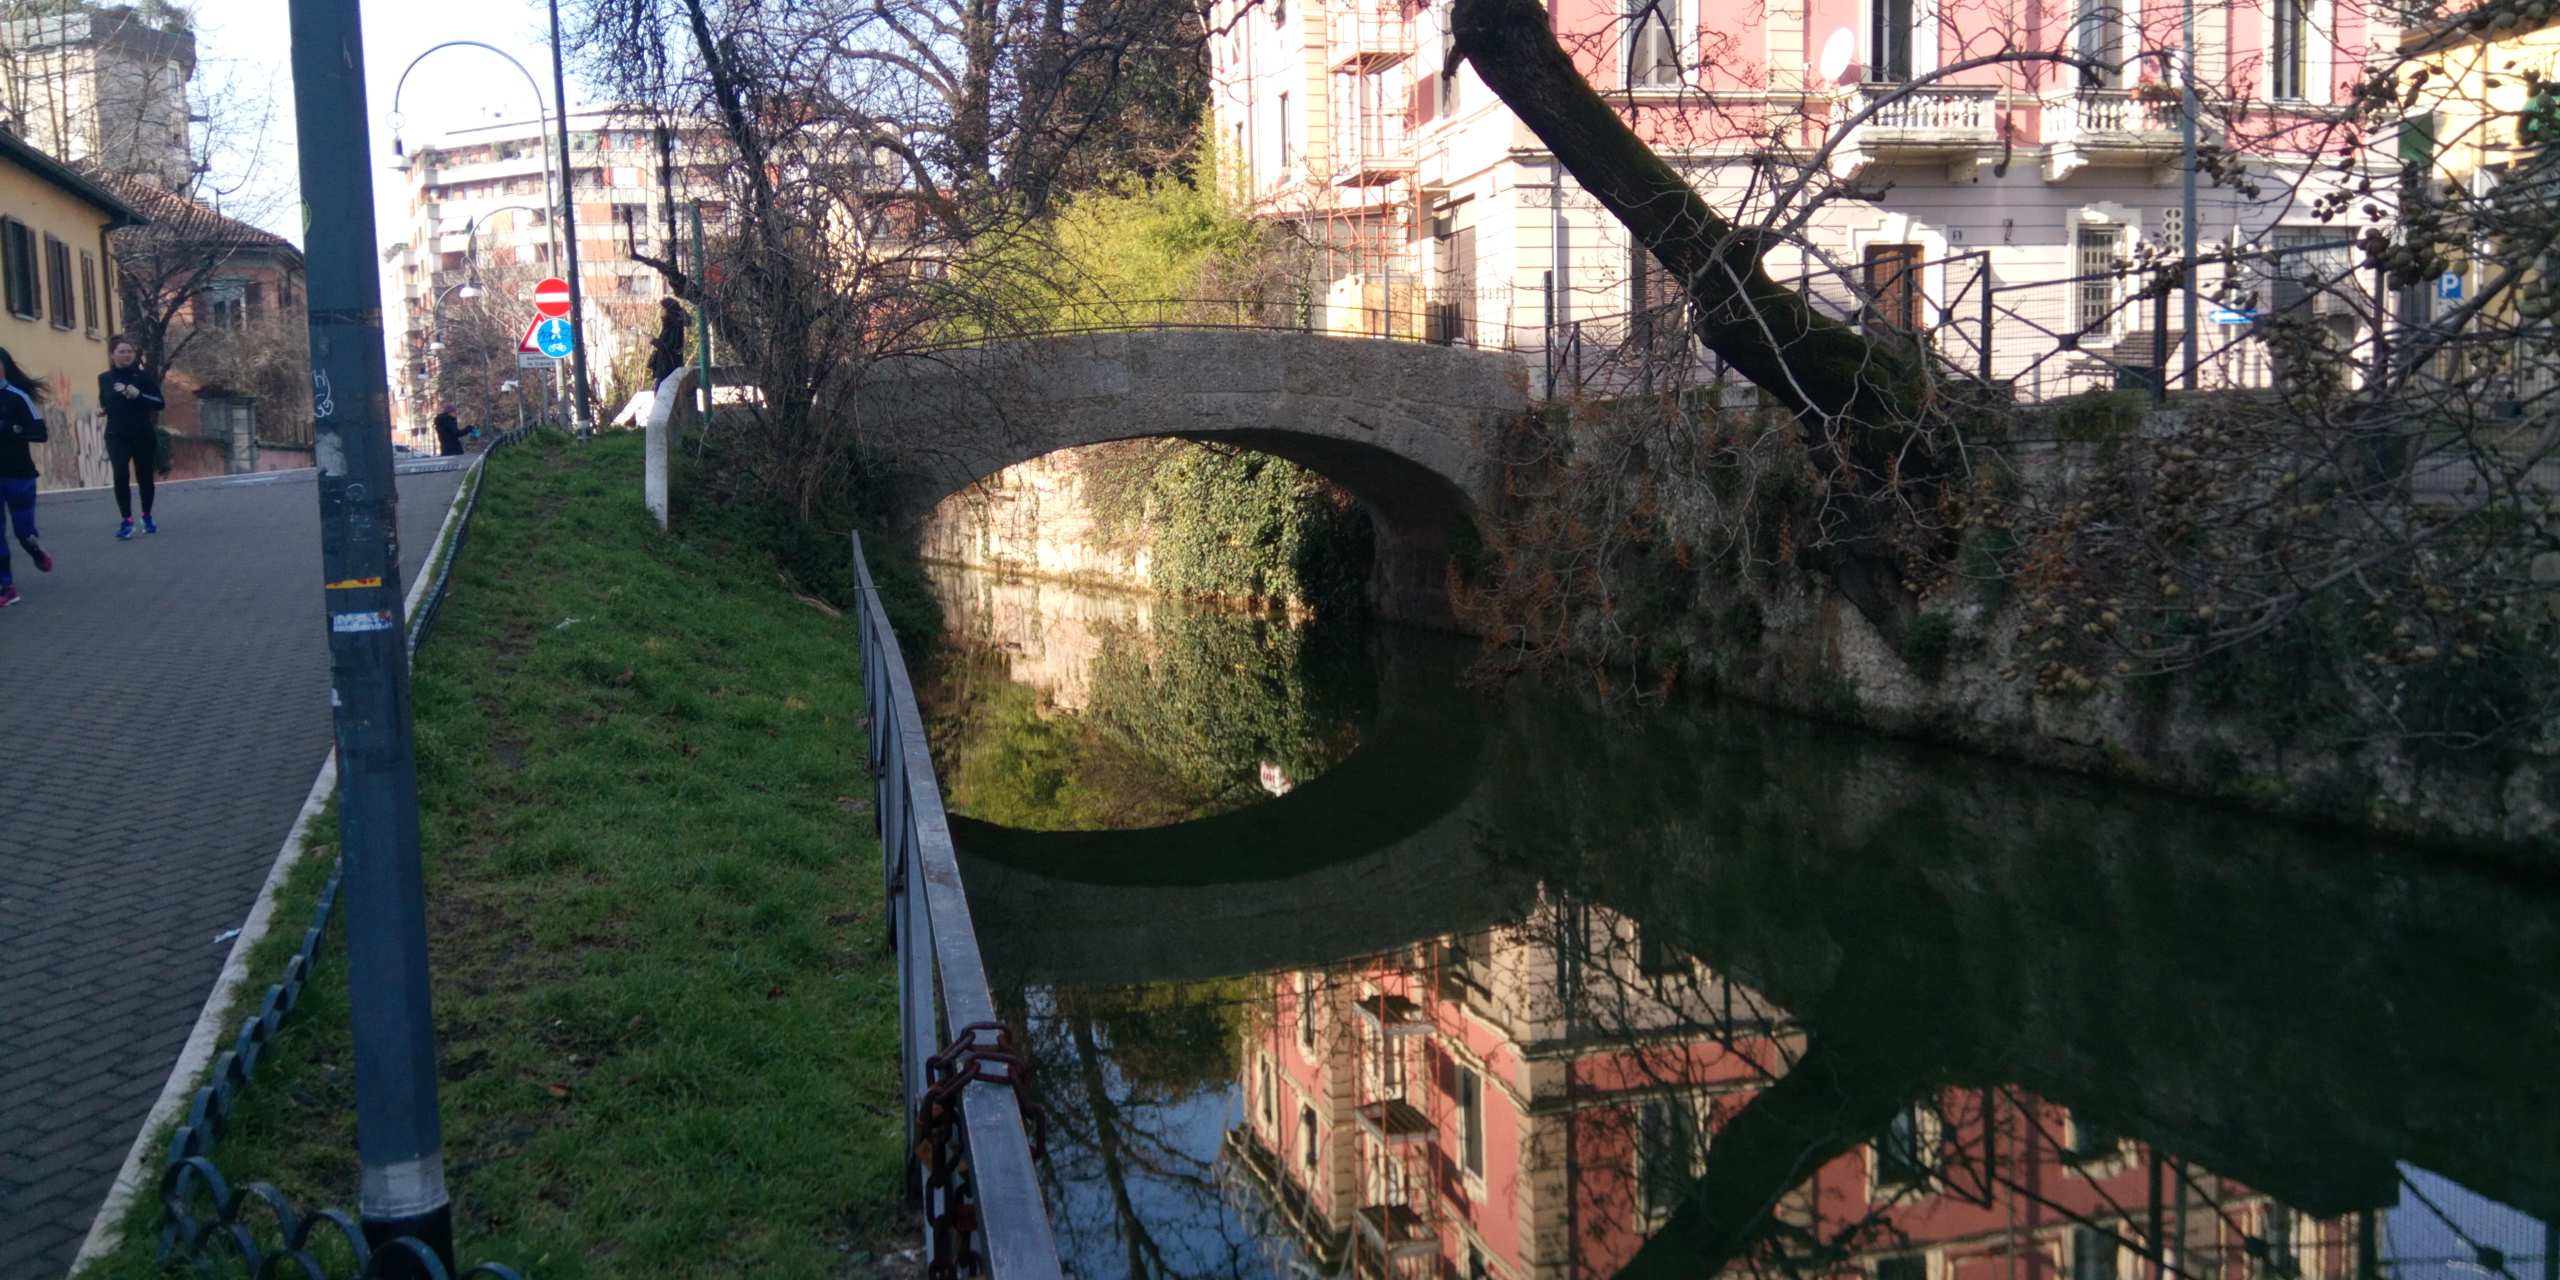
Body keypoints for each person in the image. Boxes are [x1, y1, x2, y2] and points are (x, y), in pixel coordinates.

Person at [0, 345, 55, 607]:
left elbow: (40, 433)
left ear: (4, 368)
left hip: (18, 474)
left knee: (23, 532)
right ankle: (6, 585)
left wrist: (12, 430)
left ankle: (34, 548)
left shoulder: (17, 397)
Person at [100, 336, 164, 539]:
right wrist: (102, 409)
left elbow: (159, 403)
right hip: (116, 434)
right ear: (112, 355)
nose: (126, 355)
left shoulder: (142, 377)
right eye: (122, 351)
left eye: (129, 351)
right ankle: (126, 520)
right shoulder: (104, 378)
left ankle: (146, 515)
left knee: (144, 475)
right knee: (120, 475)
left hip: (142, 433)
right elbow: (105, 400)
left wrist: (138, 395)